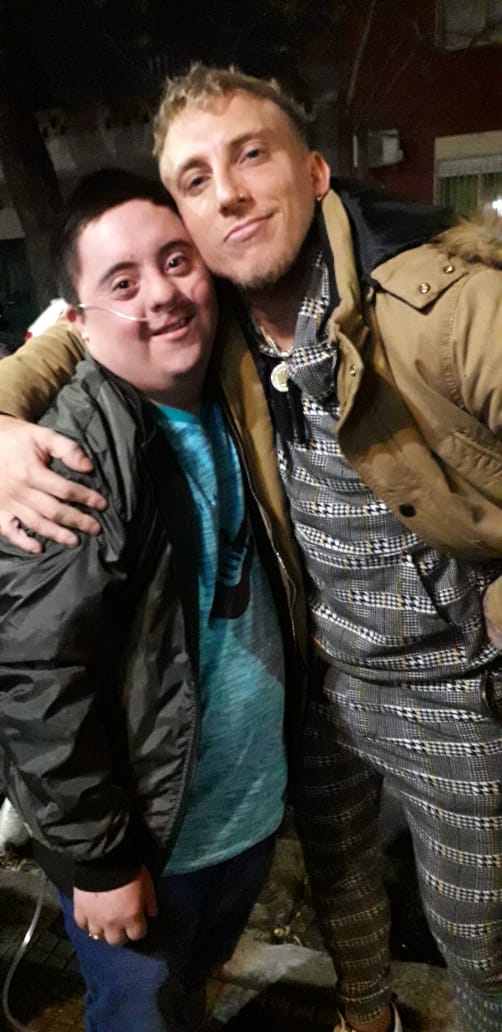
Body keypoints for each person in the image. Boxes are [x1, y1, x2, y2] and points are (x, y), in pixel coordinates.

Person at [0, 65, 501, 1032]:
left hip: (451, 688)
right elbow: (78, 329)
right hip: (324, 687)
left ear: (314, 173)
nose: (227, 193)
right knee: (343, 894)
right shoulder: (207, 320)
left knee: (478, 935)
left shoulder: (437, 305)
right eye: (196, 179)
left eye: (251, 155)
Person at [0, 167, 306, 1032]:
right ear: (79, 321)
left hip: (239, 817)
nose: (163, 294)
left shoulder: (236, 396)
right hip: (145, 846)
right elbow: (33, 676)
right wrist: (98, 861)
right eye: (123, 283)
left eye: (177, 261)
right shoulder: (64, 461)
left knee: (187, 997)